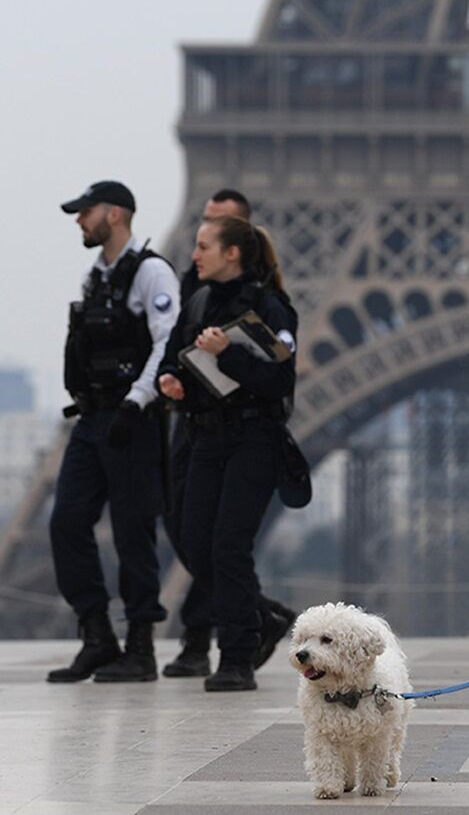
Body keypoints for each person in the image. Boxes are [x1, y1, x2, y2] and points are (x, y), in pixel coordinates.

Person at [161, 188, 297, 679]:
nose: (193, 255)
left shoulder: (270, 306)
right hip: (205, 437)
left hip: (253, 440)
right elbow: (174, 354)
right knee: (194, 541)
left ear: (231, 253)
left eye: (203, 247)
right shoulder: (196, 301)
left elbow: (281, 379)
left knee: (229, 545)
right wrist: (171, 381)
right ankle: (259, 616)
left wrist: (229, 354)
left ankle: (237, 655)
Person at [47, 180, 180, 683]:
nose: (80, 220)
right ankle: (97, 634)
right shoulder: (95, 276)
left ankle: (141, 647)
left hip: (132, 420)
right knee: (66, 522)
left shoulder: (151, 273)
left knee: (132, 532)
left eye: (86, 211)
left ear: (117, 214)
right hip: (92, 417)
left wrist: (135, 402)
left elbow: (167, 343)